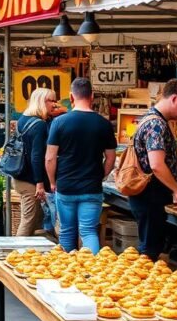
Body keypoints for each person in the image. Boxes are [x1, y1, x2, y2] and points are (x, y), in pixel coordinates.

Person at [45, 77, 117, 252]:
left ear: (71, 97)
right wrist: (102, 175)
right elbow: (111, 158)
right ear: (92, 96)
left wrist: (53, 182)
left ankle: (69, 274)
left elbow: (50, 157)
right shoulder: (104, 124)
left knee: (67, 232)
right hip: (92, 187)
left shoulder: (59, 122)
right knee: (88, 232)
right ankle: (91, 274)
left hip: (66, 186)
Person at [129, 79, 177, 259]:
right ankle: (144, 284)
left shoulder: (151, 118)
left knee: (151, 245)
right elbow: (157, 165)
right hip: (151, 195)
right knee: (149, 250)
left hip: (150, 195)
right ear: (174, 98)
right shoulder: (155, 124)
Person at [13, 88, 58, 237]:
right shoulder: (39, 125)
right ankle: (17, 253)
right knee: (29, 220)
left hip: (21, 176)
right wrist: (39, 183)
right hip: (30, 180)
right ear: (41, 102)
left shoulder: (24, 118)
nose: (55, 104)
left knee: (35, 219)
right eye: (51, 100)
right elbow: (36, 156)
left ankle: (29, 252)